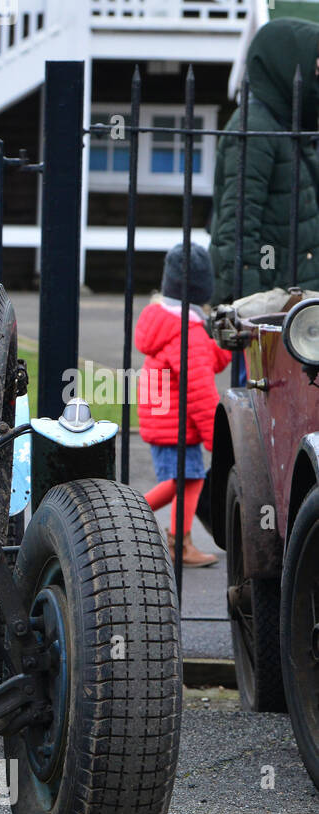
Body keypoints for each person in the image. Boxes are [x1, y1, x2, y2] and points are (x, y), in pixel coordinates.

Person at [209, 17, 319, 305]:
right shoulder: (255, 128)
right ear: (287, 66)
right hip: (274, 303)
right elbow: (237, 229)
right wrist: (251, 307)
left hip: (296, 300)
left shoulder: (290, 126)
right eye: (315, 67)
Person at [136, 244, 231, 567]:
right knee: (183, 479)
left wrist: (221, 342)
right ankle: (130, 517)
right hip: (175, 422)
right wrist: (216, 437)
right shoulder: (186, 333)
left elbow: (208, 363)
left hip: (165, 416)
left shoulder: (170, 323)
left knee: (187, 479)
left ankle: (179, 541)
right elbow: (201, 388)